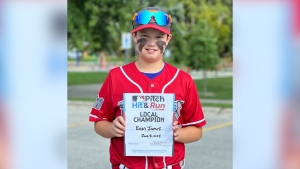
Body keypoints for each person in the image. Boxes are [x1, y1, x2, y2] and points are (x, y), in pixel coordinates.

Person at [89, 7, 206, 169]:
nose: (151, 43)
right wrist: (112, 128)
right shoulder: (116, 77)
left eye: (159, 36)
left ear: (168, 38)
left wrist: (179, 133)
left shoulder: (183, 80)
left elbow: (197, 130)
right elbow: (99, 122)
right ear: (134, 36)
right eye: (144, 36)